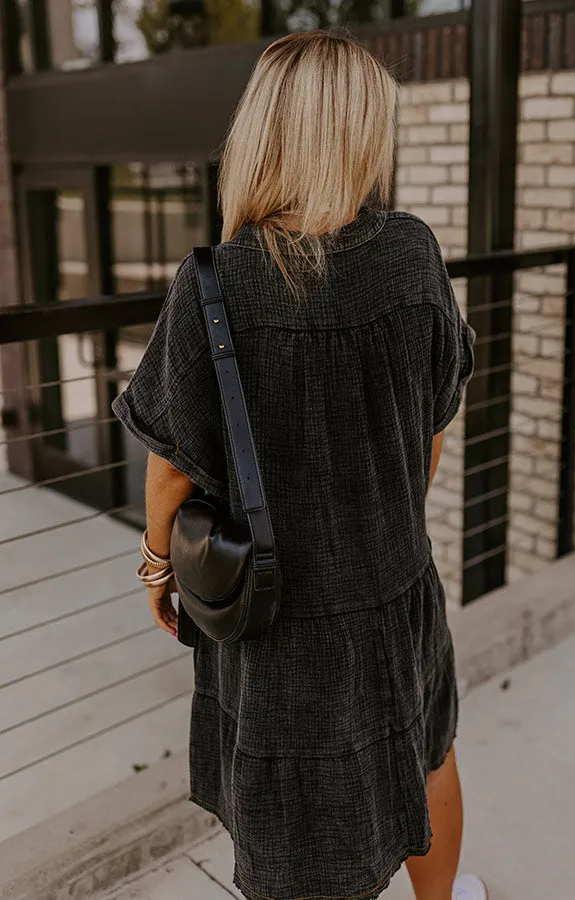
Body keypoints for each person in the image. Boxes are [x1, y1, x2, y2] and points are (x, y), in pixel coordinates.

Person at [112, 29, 482, 900]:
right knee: (425, 743)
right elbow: (433, 422)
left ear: (263, 134)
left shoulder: (215, 284)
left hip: (276, 612)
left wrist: (158, 567)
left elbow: (171, 469)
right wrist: (384, 523)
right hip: (396, 583)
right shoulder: (411, 254)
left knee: (292, 807)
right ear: (357, 133)